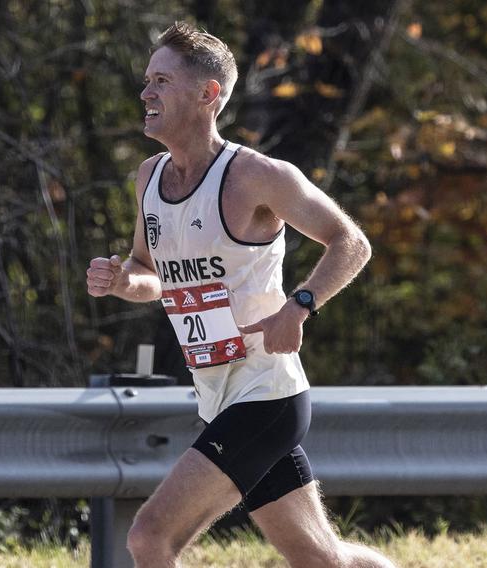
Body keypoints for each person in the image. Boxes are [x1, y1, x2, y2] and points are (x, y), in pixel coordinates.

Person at [86, 22, 396, 568]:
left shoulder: (255, 176)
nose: (145, 93)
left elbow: (352, 242)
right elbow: (148, 272)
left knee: (149, 537)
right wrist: (119, 281)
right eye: (146, 80)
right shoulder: (148, 179)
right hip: (218, 398)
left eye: (161, 80)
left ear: (208, 94)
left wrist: (299, 306)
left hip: (266, 395)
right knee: (325, 561)